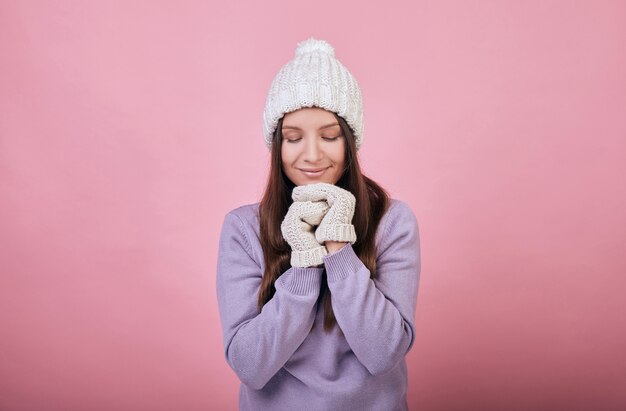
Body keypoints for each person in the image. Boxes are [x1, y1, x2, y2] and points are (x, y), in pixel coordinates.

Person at [216, 37, 421, 411]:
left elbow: (384, 353)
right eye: (293, 138)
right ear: (276, 145)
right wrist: (305, 262)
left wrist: (338, 248)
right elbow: (250, 366)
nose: (311, 155)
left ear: (351, 143)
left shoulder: (393, 222)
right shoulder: (243, 229)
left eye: (329, 136)